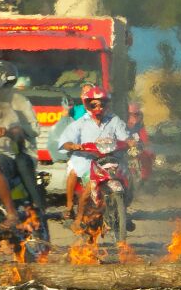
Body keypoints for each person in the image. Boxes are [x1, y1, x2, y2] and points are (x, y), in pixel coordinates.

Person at [57, 86, 133, 231]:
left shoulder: (115, 120)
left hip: (112, 160)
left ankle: (124, 213)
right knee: (87, 191)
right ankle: (78, 218)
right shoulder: (80, 123)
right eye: (94, 104)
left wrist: (130, 141)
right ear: (87, 105)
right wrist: (73, 145)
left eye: (101, 104)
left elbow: (125, 137)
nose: (98, 107)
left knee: (128, 180)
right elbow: (65, 141)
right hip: (88, 162)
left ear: (106, 104)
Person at [0, 61, 48, 235]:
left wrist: (10, 131)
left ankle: (11, 213)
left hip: (15, 153)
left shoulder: (16, 102)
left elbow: (33, 129)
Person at [62, 82, 97, 218]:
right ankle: (69, 206)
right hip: (80, 150)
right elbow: (64, 120)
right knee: (73, 172)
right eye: (83, 92)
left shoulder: (100, 109)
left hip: (99, 150)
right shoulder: (76, 110)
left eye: (89, 92)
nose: (85, 95)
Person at [126, 101, 154, 182]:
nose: (134, 116)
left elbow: (145, 138)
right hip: (124, 149)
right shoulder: (120, 125)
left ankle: (144, 178)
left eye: (137, 114)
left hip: (137, 148)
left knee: (148, 155)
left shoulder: (140, 125)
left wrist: (146, 145)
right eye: (130, 114)